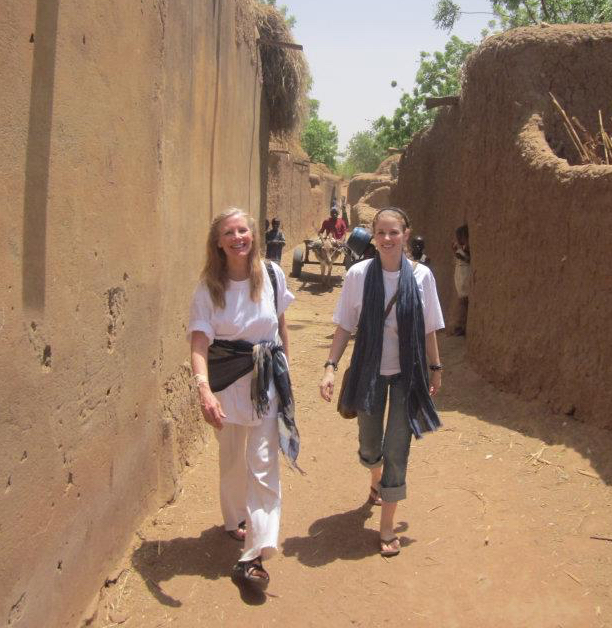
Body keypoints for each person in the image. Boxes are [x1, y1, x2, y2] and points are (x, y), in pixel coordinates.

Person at [319, 207, 444, 557]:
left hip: (409, 372)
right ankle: (375, 479)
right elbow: (345, 324)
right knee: (371, 445)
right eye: (381, 233)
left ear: (406, 233)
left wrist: (436, 367)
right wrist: (330, 365)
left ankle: (387, 524)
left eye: (394, 232)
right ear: (373, 236)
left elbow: (429, 326)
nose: (387, 239)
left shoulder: (422, 277)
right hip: (369, 371)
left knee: (397, 449)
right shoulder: (359, 275)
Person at [188, 207, 299, 591]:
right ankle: (234, 519)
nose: (239, 237)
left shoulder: (271, 274)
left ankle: (255, 553)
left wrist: (287, 370)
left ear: (252, 235)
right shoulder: (208, 288)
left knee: (264, 465)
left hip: (267, 381)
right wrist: (203, 390)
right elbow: (199, 341)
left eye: (244, 231)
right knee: (232, 460)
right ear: (218, 242)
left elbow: (281, 323)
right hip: (226, 385)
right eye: (230, 232)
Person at [452, 224, 470, 336]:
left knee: (464, 302)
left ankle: (460, 326)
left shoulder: (463, 248)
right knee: (463, 301)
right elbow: (464, 257)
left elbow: (466, 258)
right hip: (462, 275)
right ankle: (459, 327)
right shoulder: (461, 248)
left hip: (464, 275)